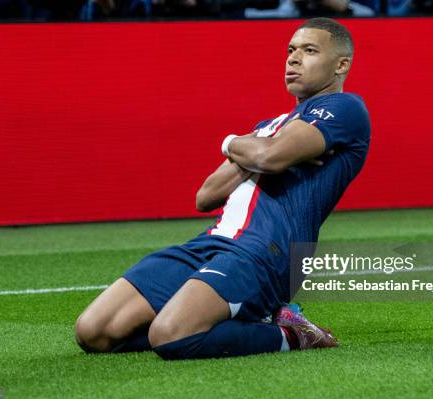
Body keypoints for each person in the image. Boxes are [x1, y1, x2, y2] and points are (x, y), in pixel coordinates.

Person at [75, 17, 371, 359]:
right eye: (290, 50)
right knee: (93, 332)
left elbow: (271, 157)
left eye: (309, 50)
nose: (293, 58)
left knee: (171, 337)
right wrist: (255, 149)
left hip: (265, 252)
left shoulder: (346, 109)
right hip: (211, 242)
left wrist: (234, 142)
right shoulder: (269, 126)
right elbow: (207, 195)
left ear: (341, 64)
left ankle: (291, 334)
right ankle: (227, 317)